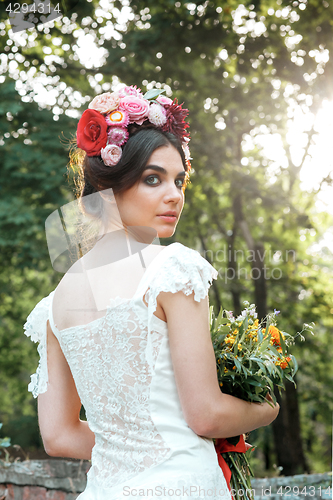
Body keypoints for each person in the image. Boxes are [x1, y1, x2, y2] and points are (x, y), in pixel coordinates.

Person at [24, 85, 279, 500]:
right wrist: (265, 410)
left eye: (179, 181)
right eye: (153, 179)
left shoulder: (53, 305)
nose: (174, 195)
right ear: (110, 186)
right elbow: (207, 416)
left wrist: (132, 452)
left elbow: (60, 436)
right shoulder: (170, 269)